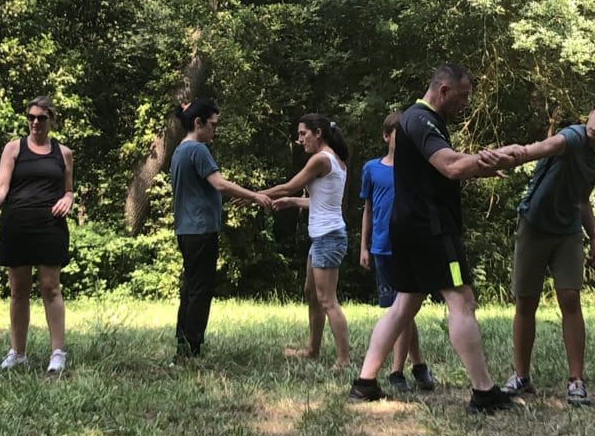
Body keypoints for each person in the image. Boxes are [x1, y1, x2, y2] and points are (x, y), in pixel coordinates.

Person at [349, 64, 524, 413]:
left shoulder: (415, 121)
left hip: (407, 226)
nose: (465, 104)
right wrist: (490, 157)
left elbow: (441, 171)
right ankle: (484, 393)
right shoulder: (422, 119)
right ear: (443, 90)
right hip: (430, 229)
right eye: (462, 97)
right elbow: (451, 166)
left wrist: (482, 166)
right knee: (461, 299)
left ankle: (365, 383)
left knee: (403, 304)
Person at [503, 91, 595, 407]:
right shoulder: (572, 136)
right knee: (526, 300)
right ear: (591, 113)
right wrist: (497, 158)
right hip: (533, 225)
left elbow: (582, 199)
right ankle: (521, 376)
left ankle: (576, 381)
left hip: (566, 232)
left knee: (570, 299)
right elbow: (539, 150)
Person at [169, 99, 273, 361]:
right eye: (213, 125)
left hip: (185, 229)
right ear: (198, 123)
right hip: (201, 228)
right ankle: (191, 350)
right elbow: (219, 184)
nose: (216, 130)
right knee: (200, 290)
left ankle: (183, 346)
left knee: (190, 288)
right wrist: (255, 196)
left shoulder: (179, 151)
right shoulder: (198, 149)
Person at [0, 96, 74, 374]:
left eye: (41, 117)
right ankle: (17, 352)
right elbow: (2, 186)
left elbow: (68, 189)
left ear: (51, 120)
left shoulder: (62, 153)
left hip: (50, 226)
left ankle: (57, 353)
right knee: (18, 290)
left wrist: (69, 198)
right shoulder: (14, 148)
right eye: (31, 117)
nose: (35, 122)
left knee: (50, 287)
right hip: (17, 224)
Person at [264, 113, 352, 368]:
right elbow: (321, 202)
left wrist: (253, 195)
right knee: (311, 293)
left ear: (318, 133)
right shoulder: (335, 160)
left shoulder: (321, 159)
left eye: (303, 133)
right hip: (323, 237)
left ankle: (343, 360)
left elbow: (289, 186)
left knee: (327, 300)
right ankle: (313, 350)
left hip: (329, 237)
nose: (299, 139)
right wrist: (293, 203)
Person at [359, 111, 435, 392]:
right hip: (381, 247)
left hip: (409, 245)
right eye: (397, 134)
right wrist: (363, 247)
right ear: (386, 135)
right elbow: (367, 210)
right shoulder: (371, 169)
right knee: (401, 310)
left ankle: (396, 371)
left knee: (402, 309)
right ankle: (419, 366)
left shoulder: (416, 168)